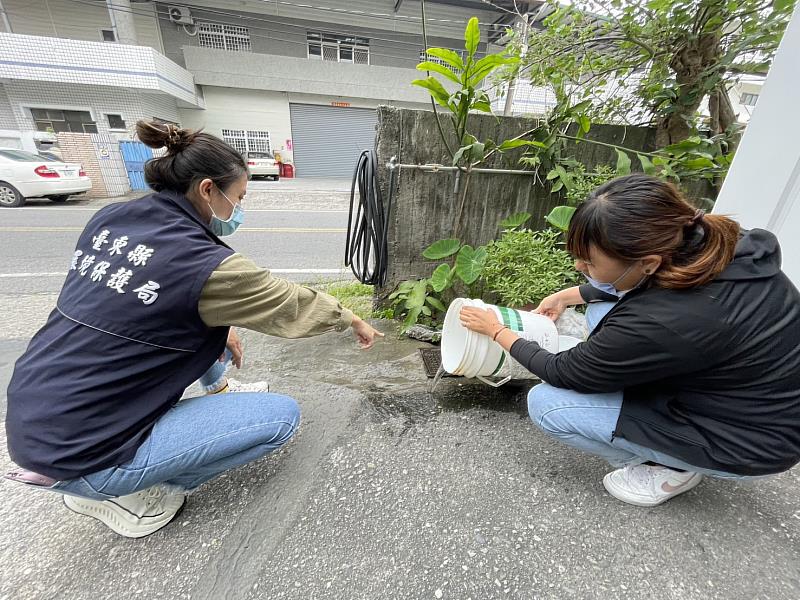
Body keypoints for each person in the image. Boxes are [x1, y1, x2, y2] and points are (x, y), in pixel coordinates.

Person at [4, 121, 383, 538]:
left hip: (36, 411)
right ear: (207, 189)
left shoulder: (114, 217)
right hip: (85, 446)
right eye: (238, 198)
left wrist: (221, 326)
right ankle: (121, 492)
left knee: (205, 325)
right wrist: (351, 318)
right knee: (281, 418)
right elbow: (286, 301)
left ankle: (211, 396)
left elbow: (149, 303)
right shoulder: (205, 265)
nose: (238, 209)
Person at [460, 174, 800, 507]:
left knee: (548, 404)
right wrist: (569, 294)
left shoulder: (668, 319)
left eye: (589, 262)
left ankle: (669, 466)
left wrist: (497, 331)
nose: (579, 265)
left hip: (746, 440)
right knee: (602, 307)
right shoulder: (719, 242)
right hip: (748, 392)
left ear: (648, 262)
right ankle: (621, 376)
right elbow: (634, 287)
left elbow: (563, 372)